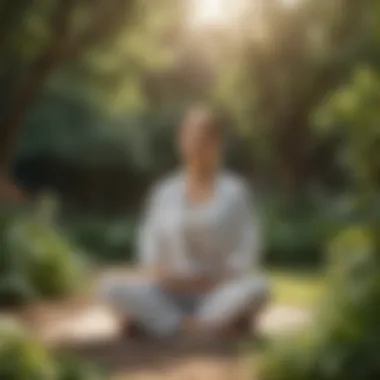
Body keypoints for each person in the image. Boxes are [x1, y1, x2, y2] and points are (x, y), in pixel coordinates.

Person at [100, 105, 269, 340]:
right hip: (169, 290)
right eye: (192, 137)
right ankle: (197, 326)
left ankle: (162, 324)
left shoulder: (235, 192)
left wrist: (217, 280)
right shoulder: (164, 192)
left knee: (258, 288)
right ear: (181, 142)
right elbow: (148, 245)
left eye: (206, 138)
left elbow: (248, 247)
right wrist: (165, 275)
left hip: (217, 290)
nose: (198, 145)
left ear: (217, 144)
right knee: (110, 286)